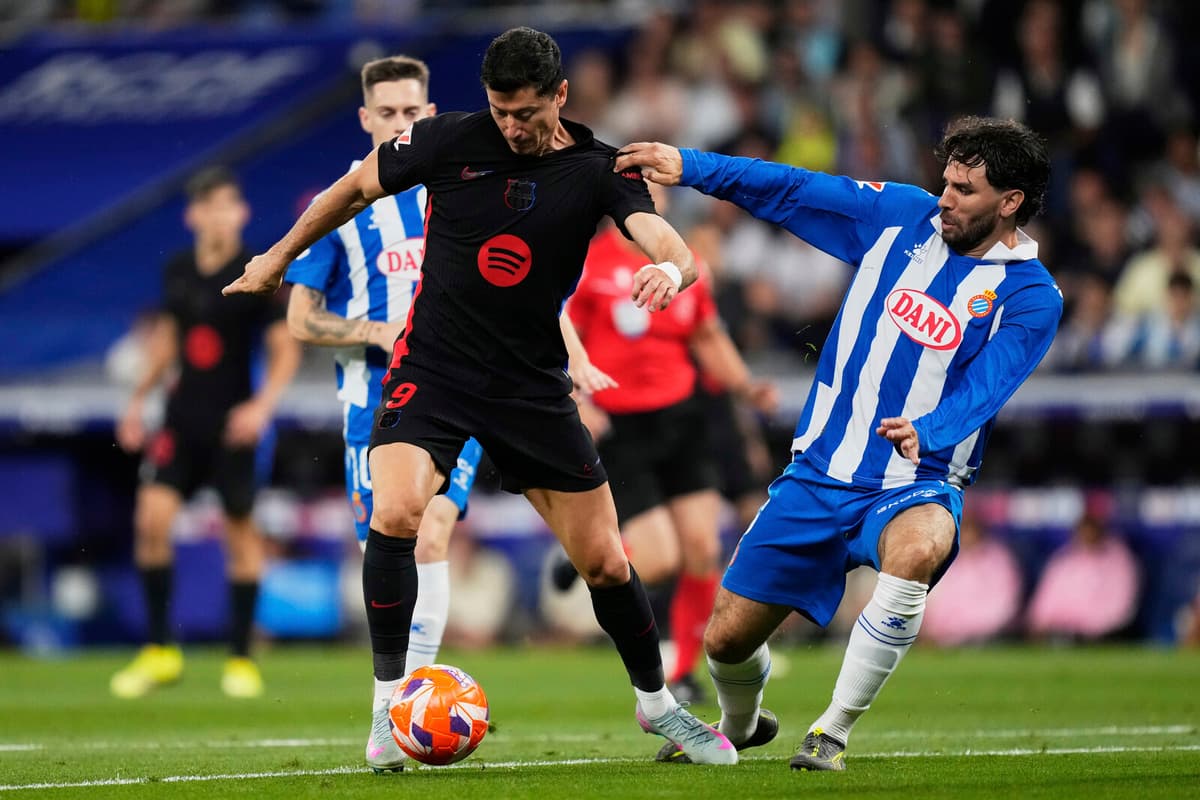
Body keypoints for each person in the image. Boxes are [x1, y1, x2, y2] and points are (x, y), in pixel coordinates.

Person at [224, 27, 736, 766]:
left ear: (559, 97)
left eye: (525, 113)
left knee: (607, 564)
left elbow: (658, 234)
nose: (510, 126)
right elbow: (353, 187)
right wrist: (277, 256)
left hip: (530, 389)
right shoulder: (445, 141)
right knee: (396, 514)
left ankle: (658, 707)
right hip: (433, 370)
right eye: (499, 111)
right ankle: (388, 710)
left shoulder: (599, 166)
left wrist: (676, 268)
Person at [615, 115, 1061, 770]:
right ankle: (738, 724)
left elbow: (989, 388)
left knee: (920, 549)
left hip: (920, 479)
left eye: (964, 189)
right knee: (725, 642)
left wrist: (928, 431)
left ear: (1010, 201)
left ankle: (833, 730)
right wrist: (691, 166)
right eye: (945, 181)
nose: (944, 197)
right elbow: (795, 189)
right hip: (822, 471)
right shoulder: (900, 218)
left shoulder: (1030, 294)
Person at [281, 54, 614, 772]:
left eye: (412, 113)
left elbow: (523, 279)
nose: (402, 123)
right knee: (390, 536)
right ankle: (392, 703)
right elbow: (301, 319)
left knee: (432, 531)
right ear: (367, 120)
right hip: (373, 399)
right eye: (388, 114)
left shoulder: (463, 178)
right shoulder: (344, 206)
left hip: (459, 385)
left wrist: (575, 354)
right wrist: (369, 331)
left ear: (428, 115)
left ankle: (396, 716)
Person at [559, 181, 778, 703]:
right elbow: (563, 336)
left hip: (683, 419)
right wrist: (580, 399)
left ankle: (681, 671)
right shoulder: (588, 263)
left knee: (702, 548)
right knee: (657, 561)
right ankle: (586, 555)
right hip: (620, 425)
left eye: (652, 187)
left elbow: (706, 336)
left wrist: (745, 385)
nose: (645, 197)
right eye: (635, 188)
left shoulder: (683, 263)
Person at [111, 166, 302, 700]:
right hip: (180, 420)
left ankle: (240, 657)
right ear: (193, 215)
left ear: (241, 213)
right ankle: (159, 651)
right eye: (210, 207)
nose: (220, 216)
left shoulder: (258, 271)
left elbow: (284, 347)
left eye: (229, 206)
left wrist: (262, 407)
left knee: (240, 534)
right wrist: (137, 400)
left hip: (232, 424)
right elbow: (171, 342)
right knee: (150, 521)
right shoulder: (178, 270)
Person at [1025, 512, 1140, 641]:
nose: (1087, 537)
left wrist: (1083, 629)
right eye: (1083, 533)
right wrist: (1039, 623)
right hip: (1062, 631)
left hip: (1102, 633)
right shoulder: (1064, 560)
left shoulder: (1119, 559)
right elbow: (1046, 599)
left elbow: (1119, 608)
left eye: (1091, 532)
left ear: (1101, 533)